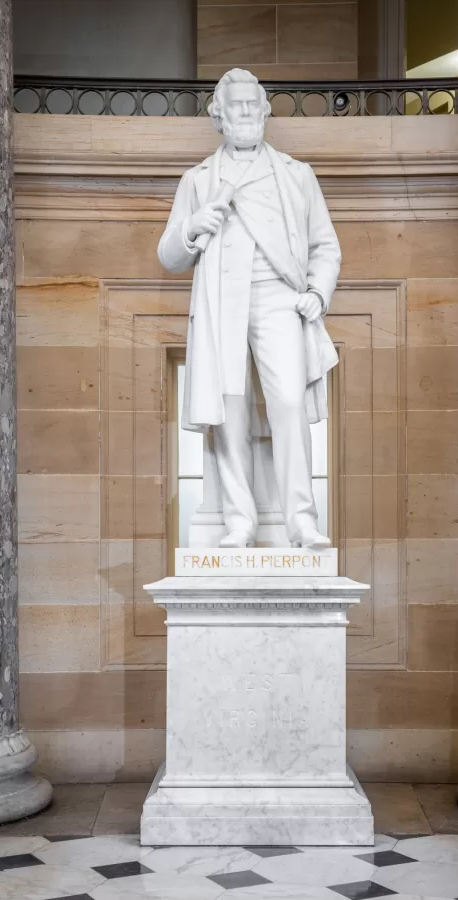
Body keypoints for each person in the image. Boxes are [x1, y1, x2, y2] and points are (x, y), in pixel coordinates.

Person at [158, 68, 341, 549]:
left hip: (280, 298)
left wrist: (317, 293)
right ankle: (239, 520)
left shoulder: (296, 175)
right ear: (219, 115)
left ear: (263, 111)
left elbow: (326, 246)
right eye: (235, 105)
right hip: (222, 300)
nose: (244, 112)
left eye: (251, 104)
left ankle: (301, 520)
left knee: (287, 405)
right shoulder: (198, 181)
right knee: (230, 411)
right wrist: (193, 225)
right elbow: (170, 257)